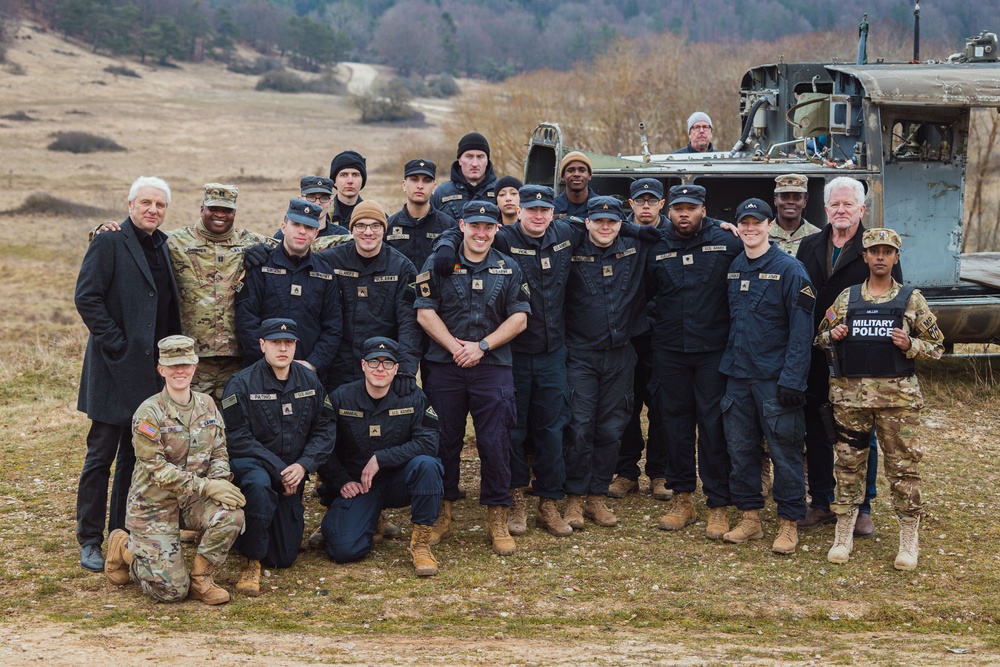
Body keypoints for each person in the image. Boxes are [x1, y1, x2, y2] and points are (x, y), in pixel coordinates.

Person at [429, 185, 584, 538]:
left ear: (554, 212)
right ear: (518, 212)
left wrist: (724, 225)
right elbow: (467, 235)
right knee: (507, 433)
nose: (539, 215)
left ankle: (548, 503)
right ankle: (513, 501)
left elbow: (610, 222)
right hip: (508, 356)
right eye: (531, 209)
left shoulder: (564, 232)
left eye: (545, 209)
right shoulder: (502, 239)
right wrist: (444, 245)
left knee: (552, 428)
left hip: (548, 350)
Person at [817, 228, 943, 570]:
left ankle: (908, 539)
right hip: (850, 402)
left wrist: (910, 345)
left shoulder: (911, 299)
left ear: (896, 258)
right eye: (874, 251)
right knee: (847, 466)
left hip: (898, 403)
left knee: (903, 469)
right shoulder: (846, 298)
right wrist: (834, 334)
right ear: (865, 257)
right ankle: (843, 535)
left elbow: (938, 348)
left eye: (887, 252)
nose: (880, 257)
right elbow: (820, 339)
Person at [74, 175, 182, 572]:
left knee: (134, 459)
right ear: (131, 203)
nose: (153, 210)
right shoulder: (109, 240)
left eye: (160, 205)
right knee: (100, 456)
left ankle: (120, 534)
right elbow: (87, 297)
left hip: (149, 375)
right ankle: (89, 539)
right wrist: (117, 344)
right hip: (111, 368)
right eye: (146, 203)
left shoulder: (165, 246)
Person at [90, 183, 277, 403]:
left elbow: (299, 245)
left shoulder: (252, 242)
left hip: (236, 357)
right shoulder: (173, 241)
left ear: (235, 212)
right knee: (187, 423)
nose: (220, 214)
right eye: (213, 208)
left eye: (227, 210)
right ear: (202, 209)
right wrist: (100, 230)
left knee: (233, 423)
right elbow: (131, 241)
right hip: (188, 356)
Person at [415, 200, 530, 555]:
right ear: (462, 225)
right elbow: (424, 312)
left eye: (489, 227)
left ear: (497, 229)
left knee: (495, 442)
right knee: (443, 441)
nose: (481, 233)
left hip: (492, 367)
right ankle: (442, 513)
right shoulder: (439, 264)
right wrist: (455, 348)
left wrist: (481, 346)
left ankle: (497, 516)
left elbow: (520, 318)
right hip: (444, 366)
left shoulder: (508, 267)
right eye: (475, 226)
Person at [796, 177, 901, 539]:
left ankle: (862, 507)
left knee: (860, 435)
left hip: (860, 358)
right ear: (825, 209)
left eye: (848, 204)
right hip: (814, 354)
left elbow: (895, 301)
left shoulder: (877, 248)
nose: (841, 210)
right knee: (816, 429)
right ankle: (822, 502)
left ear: (861, 209)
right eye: (834, 205)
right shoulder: (808, 246)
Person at [104, 336, 245, 605]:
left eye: (185, 364)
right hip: (153, 506)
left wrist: (218, 482)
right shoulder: (149, 413)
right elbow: (157, 469)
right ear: (162, 369)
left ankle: (201, 579)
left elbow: (218, 450)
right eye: (172, 366)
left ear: (194, 366)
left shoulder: (207, 404)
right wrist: (205, 486)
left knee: (231, 515)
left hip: (191, 501)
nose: (179, 371)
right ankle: (124, 547)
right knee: (169, 591)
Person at [643, 184, 743, 539]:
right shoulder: (654, 245)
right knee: (673, 424)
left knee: (714, 426)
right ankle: (682, 497)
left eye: (692, 207)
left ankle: (718, 504)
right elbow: (644, 293)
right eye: (678, 208)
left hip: (712, 351)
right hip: (669, 350)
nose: (684, 214)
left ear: (704, 209)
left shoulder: (727, 243)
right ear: (668, 210)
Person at [720, 198, 815, 555]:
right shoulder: (734, 267)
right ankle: (749, 519)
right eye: (744, 223)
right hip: (738, 376)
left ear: (769, 225)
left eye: (756, 222)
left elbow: (801, 330)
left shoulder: (791, 270)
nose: (750, 228)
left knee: (784, 451)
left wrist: (793, 379)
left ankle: (789, 523)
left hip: (774, 380)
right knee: (740, 449)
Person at [221, 318, 336, 595]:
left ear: (296, 346)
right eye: (275, 342)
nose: (282, 348)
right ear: (262, 345)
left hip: (292, 475)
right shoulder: (240, 383)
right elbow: (237, 438)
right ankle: (251, 561)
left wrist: (304, 465)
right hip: (255, 468)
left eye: (288, 343)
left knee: (283, 557)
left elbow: (325, 428)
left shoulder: (310, 379)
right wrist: (280, 468)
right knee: (259, 484)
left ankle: (241, 535)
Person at [317, 337, 444, 576]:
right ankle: (366, 519)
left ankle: (421, 545)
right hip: (360, 485)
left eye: (388, 364)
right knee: (344, 551)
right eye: (374, 362)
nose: (380, 369)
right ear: (363, 365)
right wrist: (341, 480)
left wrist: (381, 458)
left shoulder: (413, 397)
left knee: (428, 465)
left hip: (400, 481)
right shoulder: (341, 397)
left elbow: (429, 442)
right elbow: (323, 446)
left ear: (397, 369)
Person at [562, 196, 650, 530]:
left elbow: (668, 231)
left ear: (620, 223)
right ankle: (573, 498)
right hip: (580, 354)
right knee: (579, 427)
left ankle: (596, 496)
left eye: (612, 222)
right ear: (587, 222)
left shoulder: (633, 245)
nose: (605, 227)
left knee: (611, 428)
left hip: (621, 353)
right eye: (598, 221)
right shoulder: (570, 246)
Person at [235, 198, 342, 384]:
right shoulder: (260, 266)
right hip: (261, 373)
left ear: (316, 233)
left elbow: (333, 327)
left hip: (308, 375)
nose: (302, 231)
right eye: (296, 224)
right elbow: (246, 319)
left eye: (309, 227)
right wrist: (270, 362)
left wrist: (312, 364)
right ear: (283, 227)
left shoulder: (325, 273)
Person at [317, 200, 419, 392]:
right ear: (352, 229)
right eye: (361, 225)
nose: (368, 232)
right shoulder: (329, 261)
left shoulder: (402, 268)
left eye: (375, 225)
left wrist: (406, 368)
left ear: (384, 229)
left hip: (382, 366)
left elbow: (409, 324)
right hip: (337, 366)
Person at [610, 178, 670, 502]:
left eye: (652, 200)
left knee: (661, 405)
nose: (646, 205)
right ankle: (626, 472)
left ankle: (660, 473)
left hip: (662, 335)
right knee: (625, 405)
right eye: (640, 200)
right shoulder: (616, 234)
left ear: (663, 203)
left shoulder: (673, 235)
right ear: (630, 204)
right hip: (625, 334)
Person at [385, 159, 457, 272]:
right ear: (404, 185)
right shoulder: (388, 226)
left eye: (426, 181)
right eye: (414, 180)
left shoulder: (449, 226)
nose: (420, 186)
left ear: (434, 187)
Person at [430, 132, 499, 220]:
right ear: (459, 160)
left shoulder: (501, 191)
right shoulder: (442, 193)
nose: (475, 164)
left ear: (487, 160)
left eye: (480, 157)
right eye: (469, 157)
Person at [769, 173, 821, 256]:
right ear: (775, 200)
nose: (790, 202)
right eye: (785, 197)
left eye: (797, 198)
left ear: (804, 202)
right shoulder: (762, 234)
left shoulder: (817, 236)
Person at [553, 151, 598, 220]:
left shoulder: (600, 206)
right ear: (563, 176)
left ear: (589, 175)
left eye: (582, 170)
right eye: (570, 171)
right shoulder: (551, 208)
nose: (576, 174)